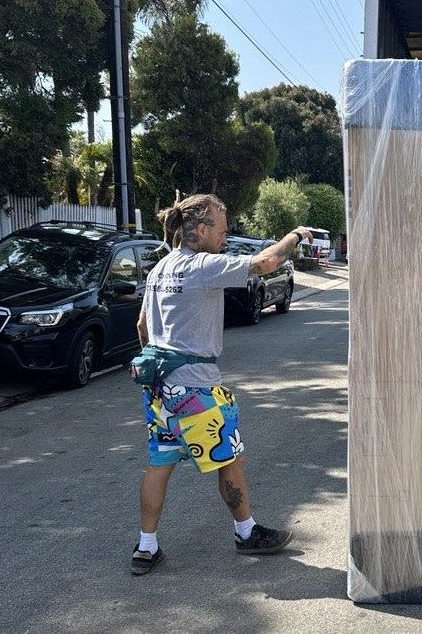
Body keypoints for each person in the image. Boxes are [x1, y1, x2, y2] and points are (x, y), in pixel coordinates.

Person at [130, 192, 313, 575]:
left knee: (159, 464)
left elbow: (143, 327)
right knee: (230, 460)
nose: (225, 237)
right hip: (196, 387)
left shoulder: (159, 268)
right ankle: (246, 533)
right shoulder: (201, 266)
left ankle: (146, 547)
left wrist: (160, 370)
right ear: (201, 228)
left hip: (160, 391)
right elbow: (266, 262)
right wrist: (296, 234)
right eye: (222, 229)